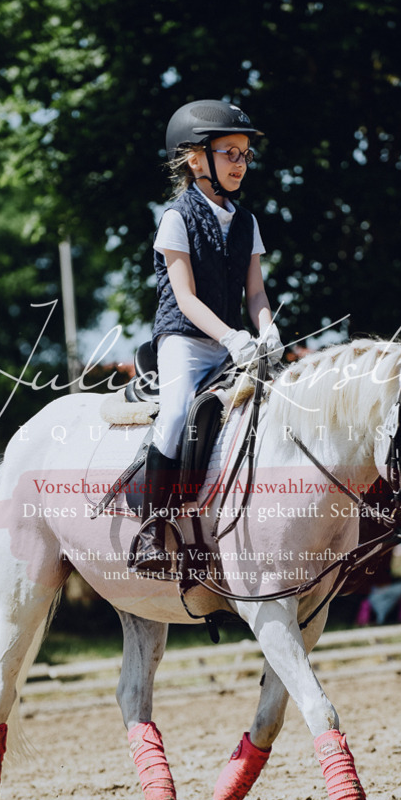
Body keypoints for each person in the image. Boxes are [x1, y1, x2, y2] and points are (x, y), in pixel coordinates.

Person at [132, 99, 283, 574]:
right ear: (196, 158)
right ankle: (153, 529)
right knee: (178, 412)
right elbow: (186, 297)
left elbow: (255, 292)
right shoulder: (175, 217)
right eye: (230, 153)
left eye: (245, 155)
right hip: (183, 340)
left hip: (232, 341)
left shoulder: (247, 222)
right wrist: (233, 336)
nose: (241, 164)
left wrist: (267, 328)